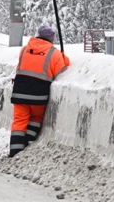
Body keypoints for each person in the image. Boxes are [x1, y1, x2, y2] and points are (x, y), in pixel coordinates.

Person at [9, 25, 70, 157]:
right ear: (52, 39)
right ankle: (27, 143)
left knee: (19, 121)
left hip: (20, 92)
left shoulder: (24, 49)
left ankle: (15, 151)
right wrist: (64, 58)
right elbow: (62, 72)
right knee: (36, 118)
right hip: (38, 95)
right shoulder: (54, 53)